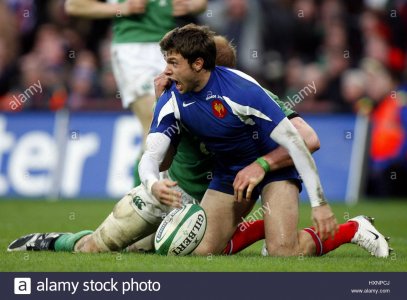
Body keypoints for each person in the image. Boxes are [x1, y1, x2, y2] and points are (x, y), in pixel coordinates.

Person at [6, 36, 321, 255]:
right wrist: (161, 106)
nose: (168, 73)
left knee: (192, 250)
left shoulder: (248, 95)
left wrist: (262, 166)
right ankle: (55, 241)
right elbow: (160, 158)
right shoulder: (174, 97)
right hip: (174, 191)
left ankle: (269, 233)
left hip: (211, 199)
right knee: (115, 247)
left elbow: (307, 138)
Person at [139, 24, 390, 257]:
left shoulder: (243, 91)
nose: (166, 72)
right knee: (199, 250)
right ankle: (267, 229)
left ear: (198, 64)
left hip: (274, 169)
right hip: (230, 173)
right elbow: (154, 158)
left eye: (172, 63)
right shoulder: (171, 97)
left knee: (284, 251)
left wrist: (317, 203)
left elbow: (301, 141)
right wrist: (152, 185)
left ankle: (355, 228)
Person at [64, 0, 208, 185]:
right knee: (154, 120)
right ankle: (141, 198)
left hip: (170, 47)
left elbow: (201, 3)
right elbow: (74, 5)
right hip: (132, 50)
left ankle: (150, 196)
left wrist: (190, 6)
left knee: (175, 121)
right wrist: (119, 8)